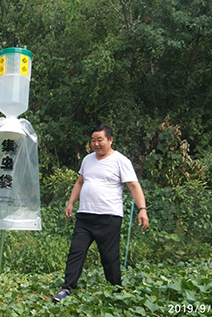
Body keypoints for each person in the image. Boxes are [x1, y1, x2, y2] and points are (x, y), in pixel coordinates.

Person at [52, 125, 148, 302]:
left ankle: (116, 290)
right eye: (93, 140)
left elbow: (134, 186)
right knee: (76, 252)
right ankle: (66, 288)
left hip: (109, 217)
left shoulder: (121, 161)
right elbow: (80, 182)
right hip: (85, 216)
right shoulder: (88, 160)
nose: (96, 144)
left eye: (100, 140)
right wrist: (71, 203)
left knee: (109, 256)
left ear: (110, 140)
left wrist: (142, 209)